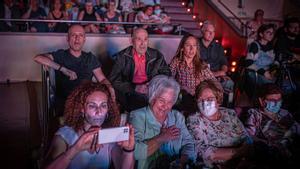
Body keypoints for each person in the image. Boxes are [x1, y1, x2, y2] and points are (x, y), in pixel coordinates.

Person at [44, 82, 135, 169]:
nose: (99, 112)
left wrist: (129, 150)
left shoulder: (108, 136)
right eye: (92, 106)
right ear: (82, 109)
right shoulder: (65, 134)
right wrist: (75, 149)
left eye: (103, 106)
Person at [34, 24, 115, 116]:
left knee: (107, 109)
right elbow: (38, 58)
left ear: (84, 39)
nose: (77, 38)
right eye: (73, 35)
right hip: (67, 101)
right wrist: (62, 69)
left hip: (87, 100)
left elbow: (101, 79)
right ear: (68, 39)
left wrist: (110, 87)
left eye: (80, 35)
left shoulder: (90, 58)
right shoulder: (61, 55)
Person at [129, 75, 195, 169]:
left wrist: (183, 161)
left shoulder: (177, 117)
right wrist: (162, 138)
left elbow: (188, 143)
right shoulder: (137, 116)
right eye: (161, 101)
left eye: (170, 102)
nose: (165, 106)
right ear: (152, 98)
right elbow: (135, 152)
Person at [187, 80, 252, 168]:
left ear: (218, 100)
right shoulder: (194, 119)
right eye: (201, 99)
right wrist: (238, 152)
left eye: (210, 99)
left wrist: (246, 150)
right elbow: (203, 152)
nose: (205, 103)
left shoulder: (229, 113)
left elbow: (245, 137)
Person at [109, 28, 170, 112]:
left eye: (145, 39)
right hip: (131, 92)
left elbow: (167, 74)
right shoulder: (122, 56)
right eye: (139, 39)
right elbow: (113, 80)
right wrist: (135, 88)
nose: (143, 43)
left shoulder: (157, 55)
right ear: (131, 41)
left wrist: (153, 84)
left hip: (152, 91)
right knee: (139, 104)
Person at [244, 83, 300, 168]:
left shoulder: (284, 113)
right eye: (273, 101)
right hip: (272, 152)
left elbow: (297, 129)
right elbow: (249, 136)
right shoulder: (255, 114)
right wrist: (270, 144)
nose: (276, 103)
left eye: (279, 100)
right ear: (261, 100)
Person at [169, 35, 216, 114]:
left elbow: (213, 81)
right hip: (183, 96)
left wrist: (203, 91)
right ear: (182, 48)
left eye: (194, 45)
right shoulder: (177, 62)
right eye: (188, 45)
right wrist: (183, 87)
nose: (192, 48)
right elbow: (169, 79)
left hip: (199, 96)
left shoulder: (201, 64)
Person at [199, 21, 234, 105]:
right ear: (203, 31)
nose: (211, 34)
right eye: (209, 31)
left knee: (229, 83)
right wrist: (216, 74)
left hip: (217, 76)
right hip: (201, 76)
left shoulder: (218, 47)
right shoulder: (195, 45)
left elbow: (224, 63)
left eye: (213, 32)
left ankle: (225, 108)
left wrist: (223, 73)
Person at [245, 24, 277, 100]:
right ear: (261, 34)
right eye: (268, 32)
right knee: (269, 86)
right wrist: (264, 72)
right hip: (254, 72)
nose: (271, 35)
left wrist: (274, 69)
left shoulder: (271, 47)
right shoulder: (255, 45)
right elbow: (248, 63)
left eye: (272, 33)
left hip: (267, 72)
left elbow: (274, 62)